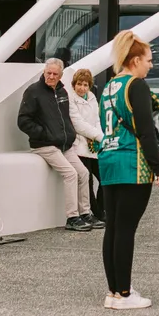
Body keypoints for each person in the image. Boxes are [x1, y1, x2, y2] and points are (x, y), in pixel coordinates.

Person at [97, 31, 159, 310]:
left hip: (108, 159)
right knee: (126, 230)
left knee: (113, 228)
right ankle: (124, 293)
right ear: (135, 60)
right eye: (148, 60)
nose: (151, 65)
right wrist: (158, 167)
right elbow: (146, 131)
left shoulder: (109, 86)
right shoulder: (136, 85)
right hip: (132, 162)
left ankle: (114, 290)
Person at [17, 58, 101, 232]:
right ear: (44, 72)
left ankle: (86, 213)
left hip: (64, 145)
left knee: (84, 173)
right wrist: (44, 134)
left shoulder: (62, 92)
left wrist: (68, 134)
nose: (51, 76)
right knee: (71, 174)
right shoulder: (33, 91)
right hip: (44, 145)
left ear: (61, 75)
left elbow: (66, 118)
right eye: (48, 73)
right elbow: (23, 121)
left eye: (55, 74)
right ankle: (72, 217)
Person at [67, 67, 103, 222]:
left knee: (104, 177)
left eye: (85, 85)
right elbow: (78, 124)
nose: (82, 88)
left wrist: (98, 136)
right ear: (74, 84)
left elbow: (97, 120)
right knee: (87, 181)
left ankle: (101, 210)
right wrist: (99, 136)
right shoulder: (70, 99)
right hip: (80, 145)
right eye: (79, 84)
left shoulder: (92, 98)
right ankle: (93, 213)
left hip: (94, 145)